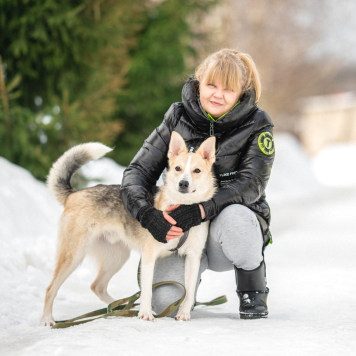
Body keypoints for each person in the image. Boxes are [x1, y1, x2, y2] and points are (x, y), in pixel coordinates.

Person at [120, 48, 275, 319]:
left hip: (225, 237)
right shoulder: (177, 117)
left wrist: (202, 210)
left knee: (237, 219)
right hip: (181, 238)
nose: (217, 94)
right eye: (211, 84)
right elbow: (137, 172)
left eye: (228, 89)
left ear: (242, 92)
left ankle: (253, 291)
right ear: (198, 82)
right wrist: (146, 214)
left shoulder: (257, 124)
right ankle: (188, 288)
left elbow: (252, 183)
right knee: (163, 305)